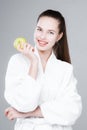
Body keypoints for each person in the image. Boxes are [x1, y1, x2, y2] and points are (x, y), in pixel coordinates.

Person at [4, 9, 82, 130]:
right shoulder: (18, 61)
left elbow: (72, 110)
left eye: (50, 32)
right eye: (39, 29)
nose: (42, 36)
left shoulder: (65, 69)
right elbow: (23, 105)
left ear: (59, 36)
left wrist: (30, 114)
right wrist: (34, 63)